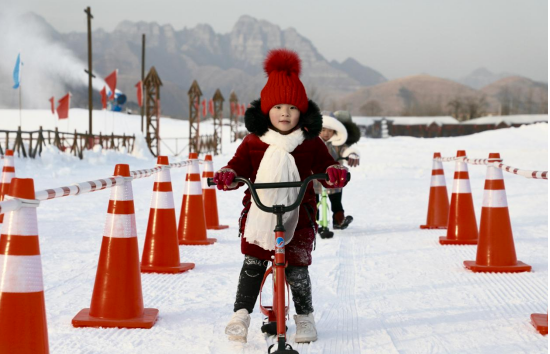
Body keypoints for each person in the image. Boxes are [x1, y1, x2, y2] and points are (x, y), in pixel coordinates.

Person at [212, 48, 348, 344]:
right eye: (277, 107)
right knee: (253, 263)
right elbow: (238, 167)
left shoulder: (309, 143)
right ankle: (240, 314)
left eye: (291, 107)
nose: (284, 113)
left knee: (297, 268)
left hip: (299, 214)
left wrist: (334, 171)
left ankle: (305, 317)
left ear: (302, 111)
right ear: (266, 110)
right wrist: (227, 175)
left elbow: (326, 165)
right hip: (260, 213)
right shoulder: (253, 142)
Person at [314, 112, 361, 235]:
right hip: (315, 180)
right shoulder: (312, 143)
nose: (326, 133)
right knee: (313, 203)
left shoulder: (338, 145)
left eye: (330, 131)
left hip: (335, 179)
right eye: (323, 130)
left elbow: (347, 151)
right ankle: (313, 222)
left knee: (336, 202)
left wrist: (352, 154)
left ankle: (339, 221)